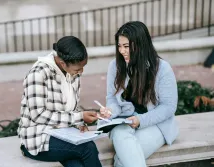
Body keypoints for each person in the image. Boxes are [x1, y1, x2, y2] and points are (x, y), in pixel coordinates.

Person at [100, 21, 179, 167]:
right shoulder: (115, 66)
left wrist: (140, 120)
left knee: (120, 162)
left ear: (141, 45)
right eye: (119, 46)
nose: (121, 51)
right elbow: (112, 99)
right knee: (119, 134)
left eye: (126, 46)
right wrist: (110, 111)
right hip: (124, 122)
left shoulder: (162, 69)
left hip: (156, 124)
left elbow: (168, 107)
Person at [17, 36, 102, 167]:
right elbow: (38, 115)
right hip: (37, 140)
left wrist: (79, 123)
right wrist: (78, 117)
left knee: (77, 165)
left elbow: (71, 109)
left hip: (63, 135)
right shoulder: (38, 74)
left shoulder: (72, 73)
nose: (81, 72)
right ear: (62, 63)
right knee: (87, 148)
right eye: (78, 69)